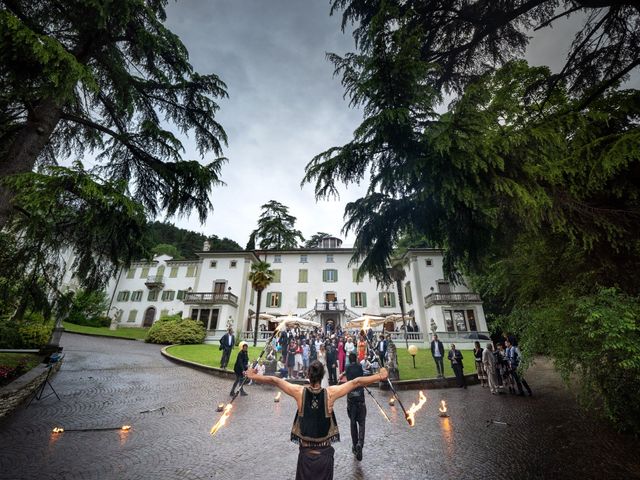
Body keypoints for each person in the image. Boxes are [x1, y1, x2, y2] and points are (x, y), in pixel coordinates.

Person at [246, 360, 389, 479]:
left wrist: (253, 376)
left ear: (308, 375)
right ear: (322, 376)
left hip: (306, 455)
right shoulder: (331, 393)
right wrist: (380, 376)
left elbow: (274, 380)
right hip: (324, 457)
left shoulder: (299, 392)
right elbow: (356, 382)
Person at [340, 352, 368, 461]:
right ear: (356, 359)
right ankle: (360, 443)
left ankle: (355, 444)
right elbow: (361, 377)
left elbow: (347, 377)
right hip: (360, 397)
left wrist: (342, 374)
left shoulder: (347, 368)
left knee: (352, 424)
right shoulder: (359, 366)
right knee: (362, 423)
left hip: (351, 399)